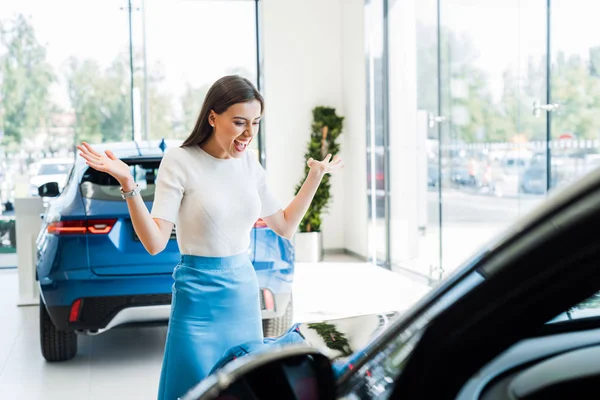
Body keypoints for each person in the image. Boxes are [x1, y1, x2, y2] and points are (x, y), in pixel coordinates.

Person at [76, 75, 343, 400]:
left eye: (256, 123)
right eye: (239, 122)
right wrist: (128, 183)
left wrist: (314, 177)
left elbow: (285, 225)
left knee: (244, 388)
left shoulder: (249, 163)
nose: (248, 133)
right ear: (212, 117)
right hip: (197, 302)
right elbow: (155, 242)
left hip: (243, 296)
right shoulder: (180, 160)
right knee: (193, 389)